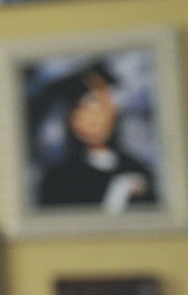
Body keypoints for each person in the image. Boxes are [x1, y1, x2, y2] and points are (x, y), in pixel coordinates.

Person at [30, 61, 157, 211]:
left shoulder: (136, 170)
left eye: (102, 108)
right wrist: (118, 194)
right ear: (72, 118)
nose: (95, 119)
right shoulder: (58, 179)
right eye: (86, 110)